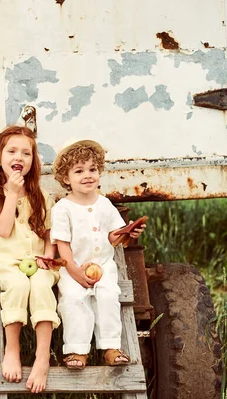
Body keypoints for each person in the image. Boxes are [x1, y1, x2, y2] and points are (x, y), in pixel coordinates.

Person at [0, 125, 60, 393]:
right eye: (12, 151)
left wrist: (48, 256)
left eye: (26, 153)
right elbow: (4, 229)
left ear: (33, 162)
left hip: (38, 262)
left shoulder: (41, 196)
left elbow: (49, 234)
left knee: (42, 286)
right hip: (6, 263)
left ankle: (42, 358)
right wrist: (10, 194)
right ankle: (13, 348)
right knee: (19, 285)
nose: (19, 157)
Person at [50, 140, 145, 370]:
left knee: (108, 296)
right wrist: (73, 271)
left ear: (100, 173)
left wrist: (128, 232)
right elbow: (62, 244)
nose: (87, 175)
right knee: (73, 301)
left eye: (92, 169)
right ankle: (77, 350)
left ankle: (110, 347)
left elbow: (114, 237)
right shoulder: (63, 208)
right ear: (66, 178)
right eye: (79, 171)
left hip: (103, 265)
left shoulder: (105, 205)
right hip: (73, 268)